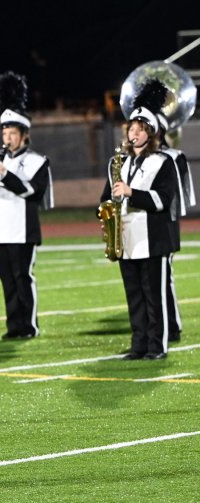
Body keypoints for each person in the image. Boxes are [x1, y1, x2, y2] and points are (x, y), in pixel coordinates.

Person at [101, 80, 178, 360]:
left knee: (153, 297)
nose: (132, 133)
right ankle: (139, 344)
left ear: (150, 133)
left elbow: (162, 200)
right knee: (134, 295)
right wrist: (107, 209)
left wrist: (131, 192)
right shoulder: (118, 163)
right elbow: (105, 198)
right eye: (130, 128)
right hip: (127, 240)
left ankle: (157, 346)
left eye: (139, 129)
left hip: (153, 240)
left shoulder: (162, 162)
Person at [0, 71, 53, 340]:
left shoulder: (37, 161)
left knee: (23, 277)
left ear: (24, 135)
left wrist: (6, 176)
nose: (7, 137)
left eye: (13, 133)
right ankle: (13, 326)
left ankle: (28, 326)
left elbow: (33, 192)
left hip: (22, 230)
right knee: (7, 280)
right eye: (5, 132)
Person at [156, 112, 194, 343]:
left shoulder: (173, 157)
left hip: (164, 226)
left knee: (164, 278)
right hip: (137, 229)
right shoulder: (131, 157)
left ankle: (171, 325)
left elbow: (174, 196)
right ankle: (153, 329)